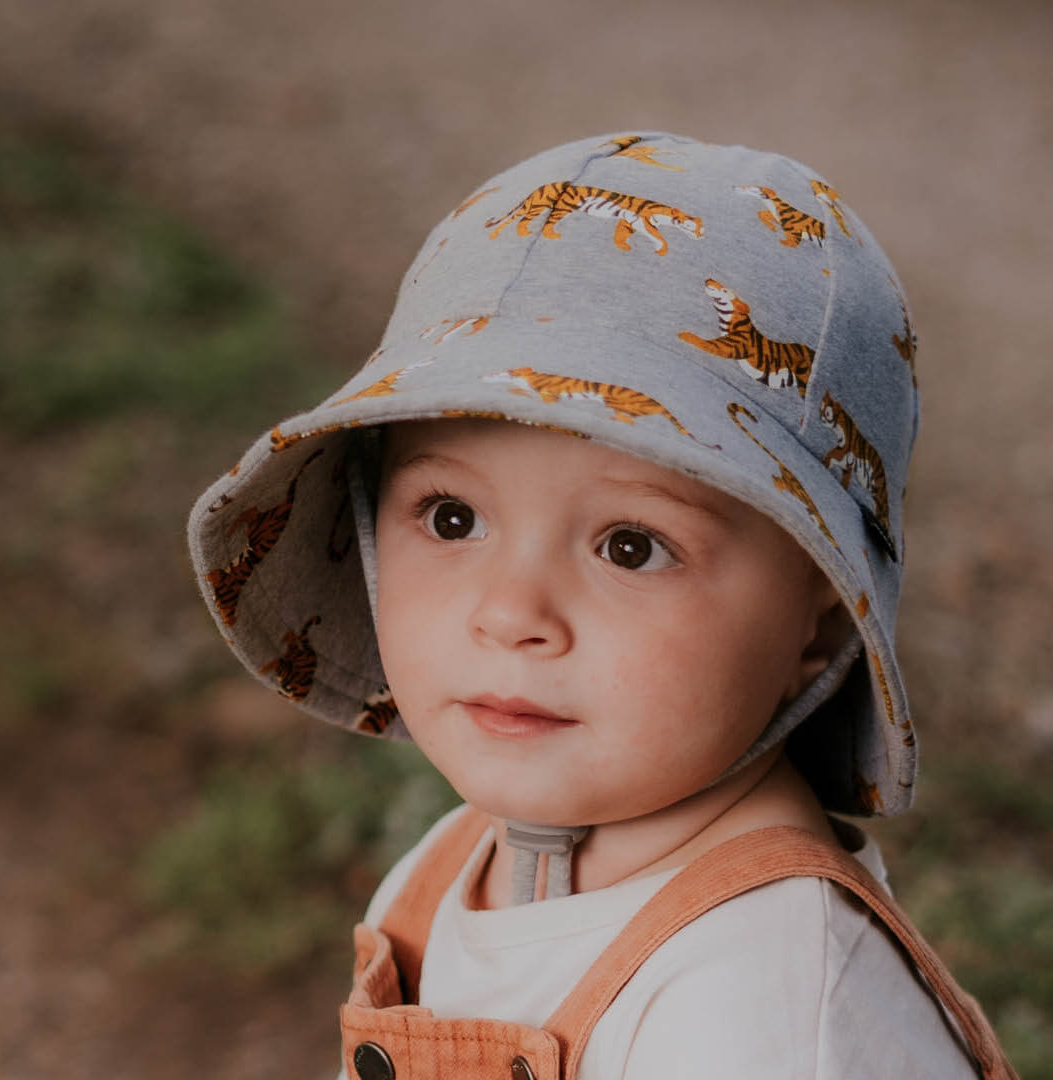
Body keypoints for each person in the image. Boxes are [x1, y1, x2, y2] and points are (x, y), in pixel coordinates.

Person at [188, 132, 1016, 1078]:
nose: (511, 613)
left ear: (818, 617)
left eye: (631, 546)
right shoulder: (444, 869)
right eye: (452, 518)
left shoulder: (767, 1003)